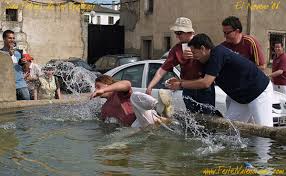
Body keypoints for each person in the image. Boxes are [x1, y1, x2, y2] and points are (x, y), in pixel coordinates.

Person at [167, 33, 273, 127]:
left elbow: (205, 83)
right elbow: (198, 80)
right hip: (241, 98)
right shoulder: (204, 62)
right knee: (230, 132)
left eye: (195, 53)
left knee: (264, 130)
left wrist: (180, 85)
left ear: (203, 49)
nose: (193, 57)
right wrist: (179, 81)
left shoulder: (218, 53)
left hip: (259, 91)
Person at [146, 17, 215, 114]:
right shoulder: (176, 49)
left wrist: (197, 56)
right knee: (192, 120)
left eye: (179, 33)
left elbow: (213, 60)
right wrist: (150, 86)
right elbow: (162, 70)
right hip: (188, 88)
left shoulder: (201, 42)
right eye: (176, 33)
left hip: (203, 87)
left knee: (208, 118)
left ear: (189, 32)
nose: (177, 36)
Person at [0, 30, 30, 100]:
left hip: (21, 85)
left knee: (26, 109)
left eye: (13, 38)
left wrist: (25, 63)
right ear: (4, 39)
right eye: (10, 38)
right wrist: (9, 55)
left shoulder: (19, 52)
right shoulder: (1, 53)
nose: (12, 40)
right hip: (7, 87)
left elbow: (26, 69)